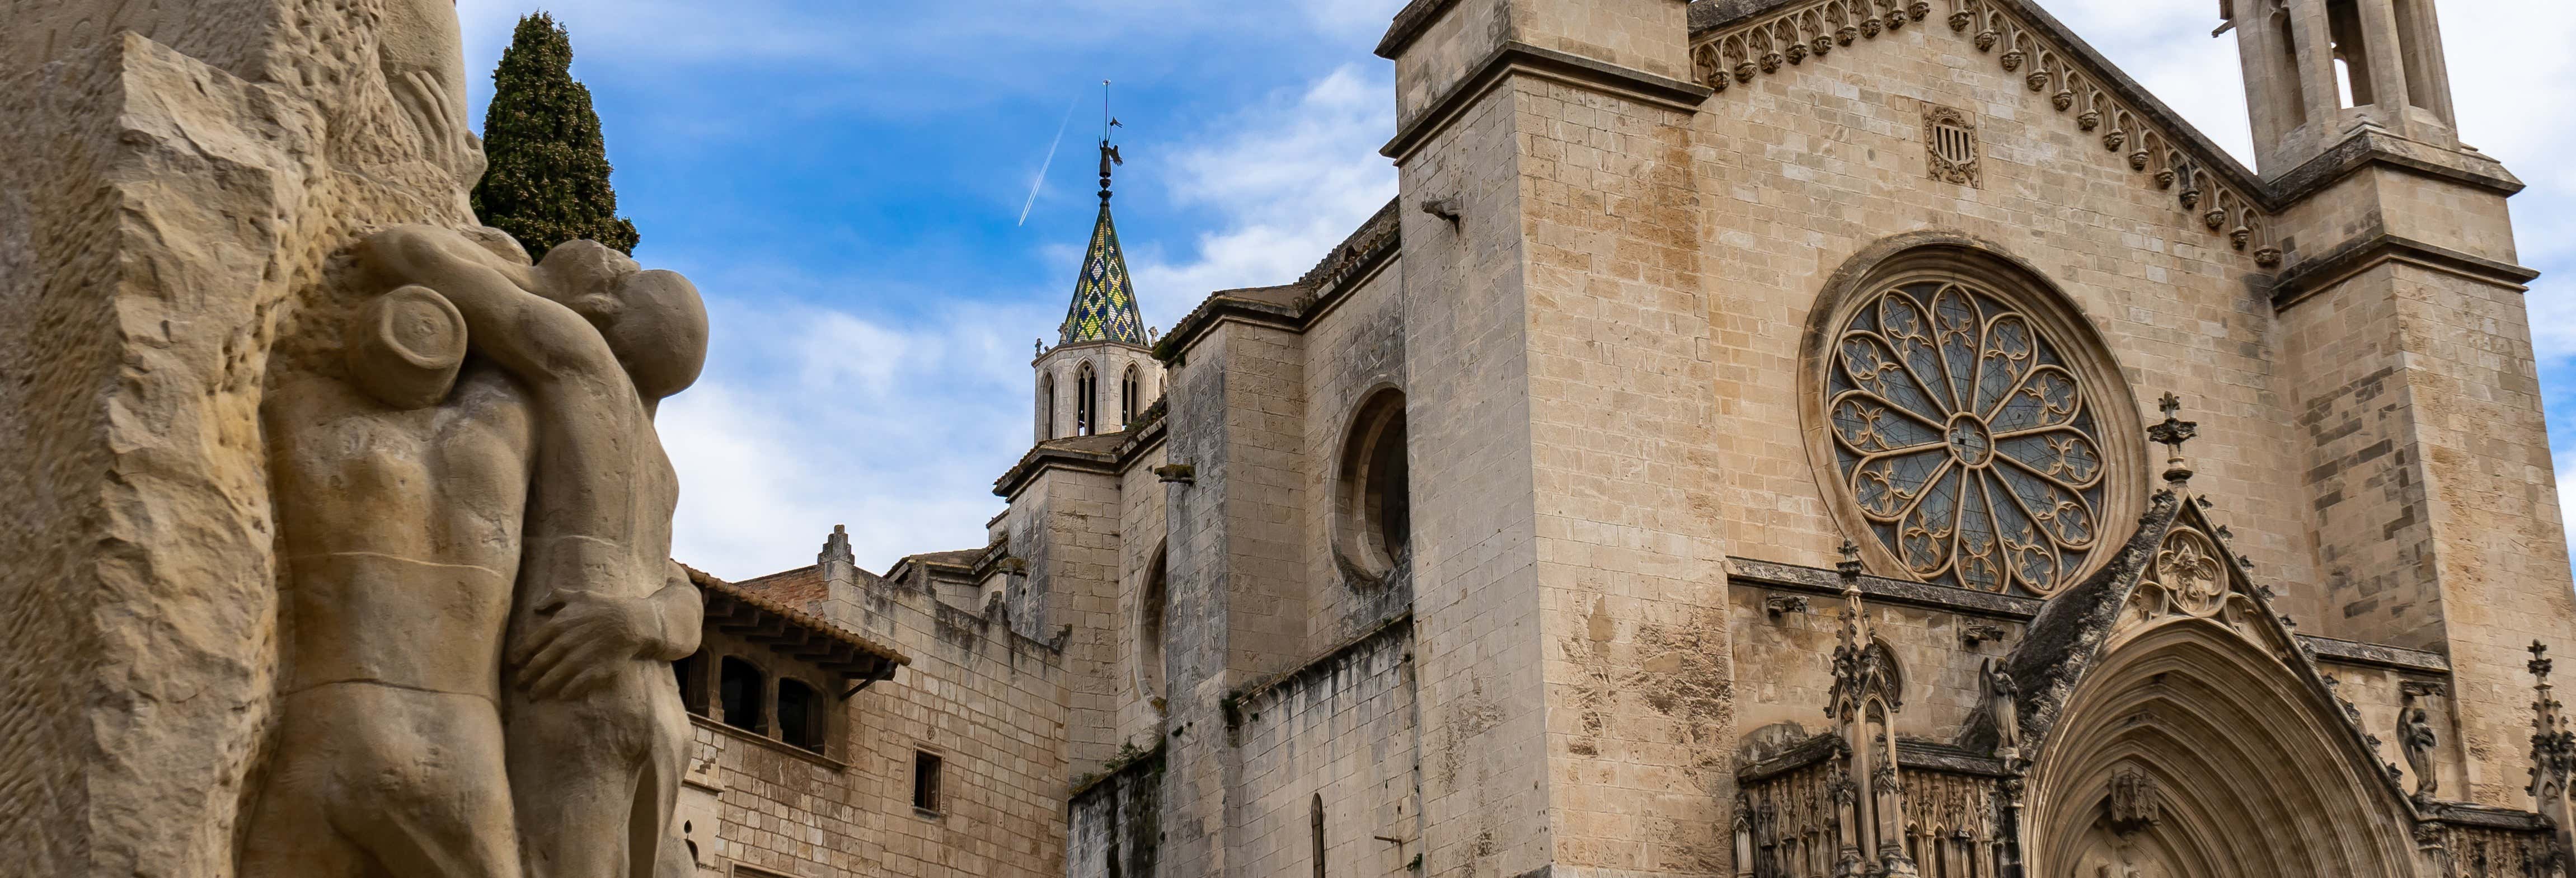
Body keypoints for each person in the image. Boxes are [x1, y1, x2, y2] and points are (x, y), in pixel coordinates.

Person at [364, 224, 707, 878]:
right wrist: (638, 622)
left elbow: (401, 250)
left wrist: (539, 285)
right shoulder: (663, 474)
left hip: (575, 687)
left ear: (607, 315)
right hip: (660, 707)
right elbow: (685, 601)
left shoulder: (583, 363)